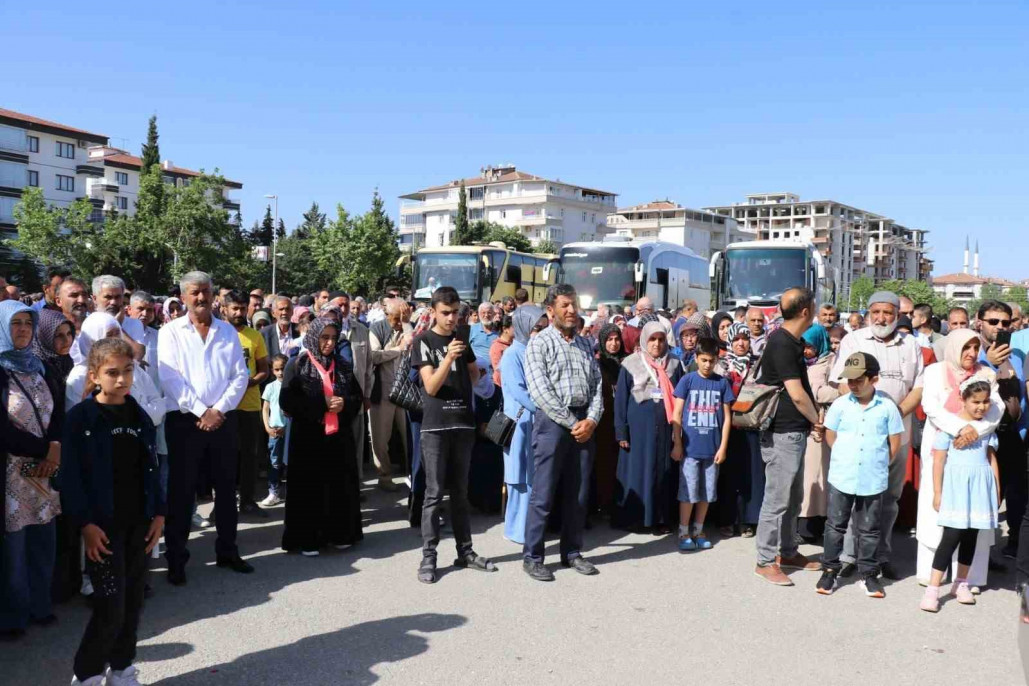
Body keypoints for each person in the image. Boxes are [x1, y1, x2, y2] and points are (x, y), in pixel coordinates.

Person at [62, 338, 163, 686]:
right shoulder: (80, 418)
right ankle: (87, 673)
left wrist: (159, 513)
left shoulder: (139, 415)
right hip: (103, 529)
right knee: (110, 605)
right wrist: (86, 524)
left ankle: (121, 668)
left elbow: (152, 467)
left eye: (128, 371)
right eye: (112, 373)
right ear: (94, 375)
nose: (121, 380)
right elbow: (72, 478)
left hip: (140, 524)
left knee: (134, 601)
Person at [158, 271, 251, 585]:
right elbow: (170, 379)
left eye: (206, 292)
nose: (201, 298)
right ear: (183, 297)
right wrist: (201, 411)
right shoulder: (170, 332)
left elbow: (240, 376)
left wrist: (218, 410)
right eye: (194, 293)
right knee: (182, 493)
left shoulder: (227, 332)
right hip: (185, 421)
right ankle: (176, 559)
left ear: (214, 296)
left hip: (223, 420)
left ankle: (228, 551)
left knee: (226, 490)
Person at [831, 291, 924, 580]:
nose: (881, 318)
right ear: (869, 313)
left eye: (888, 312)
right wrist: (871, 412)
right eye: (876, 312)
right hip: (860, 437)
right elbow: (843, 384)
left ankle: (880, 557)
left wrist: (890, 415)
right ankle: (848, 556)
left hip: (897, 436)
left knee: (888, 499)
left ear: (898, 315)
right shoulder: (854, 340)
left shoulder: (911, 345)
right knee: (852, 496)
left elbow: (919, 388)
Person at [411, 286, 496, 584]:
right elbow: (431, 387)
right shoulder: (423, 341)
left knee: (461, 492)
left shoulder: (462, 339)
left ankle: (465, 551)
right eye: (445, 313)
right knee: (434, 494)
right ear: (433, 311)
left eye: (455, 312)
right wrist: (448, 359)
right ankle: (429, 556)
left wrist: (471, 373)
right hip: (435, 426)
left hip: (463, 424)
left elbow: (474, 373)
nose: (451, 318)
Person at [522, 284, 603, 582]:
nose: (571, 310)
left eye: (574, 305)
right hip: (554, 425)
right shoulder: (539, 344)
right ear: (550, 310)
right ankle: (533, 556)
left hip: (584, 423)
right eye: (565, 305)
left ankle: (571, 552)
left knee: (578, 495)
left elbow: (597, 388)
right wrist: (573, 424)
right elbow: (540, 391)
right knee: (543, 493)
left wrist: (592, 420)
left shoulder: (584, 344)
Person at [917, 329, 1002, 589]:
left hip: (977, 449)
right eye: (966, 347)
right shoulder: (934, 371)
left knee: (974, 519)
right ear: (954, 347)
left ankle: (968, 578)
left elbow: (995, 410)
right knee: (938, 509)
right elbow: (930, 407)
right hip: (941, 449)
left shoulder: (986, 373)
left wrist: (972, 431)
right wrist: (959, 429)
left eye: (976, 348)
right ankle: (932, 576)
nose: (972, 353)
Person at [816, 352, 904, 598]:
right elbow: (831, 435)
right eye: (849, 380)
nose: (852, 384)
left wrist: (878, 463)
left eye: (858, 380)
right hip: (843, 475)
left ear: (874, 379)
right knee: (835, 526)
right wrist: (847, 457)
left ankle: (868, 574)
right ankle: (830, 570)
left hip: (872, 478)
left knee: (869, 529)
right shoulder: (841, 405)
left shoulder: (887, 406)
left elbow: (894, 442)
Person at [0, 301, 64, 640]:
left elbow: (57, 413)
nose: (22, 329)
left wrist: (54, 447)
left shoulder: (40, 367)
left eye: (27, 322)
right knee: (13, 549)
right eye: (14, 323)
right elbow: (4, 431)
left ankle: (41, 605)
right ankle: (13, 615)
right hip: (11, 474)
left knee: (43, 541)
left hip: (44, 471)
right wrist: (47, 449)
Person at [754, 287, 824, 586]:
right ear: (806, 311)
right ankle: (765, 560)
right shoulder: (781, 343)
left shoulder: (792, 341)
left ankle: (789, 551)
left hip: (794, 432)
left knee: (794, 498)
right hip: (781, 432)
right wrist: (817, 420)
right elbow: (796, 394)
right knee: (777, 498)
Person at [278, 318, 362, 556]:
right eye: (324, 337)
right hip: (308, 438)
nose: (329, 343)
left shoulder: (343, 365)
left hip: (337, 437)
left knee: (339, 486)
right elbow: (287, 401)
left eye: (333, 338)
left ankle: (340, 533)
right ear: (314, 337)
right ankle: (307, 538)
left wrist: (343, 404)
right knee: (309, 488)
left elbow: (357, 397)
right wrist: (320, 403)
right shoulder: (297, 364)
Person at [612, 321, 682, 532]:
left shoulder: (675, 364)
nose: (657, 344)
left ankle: (660, 519)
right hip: (637, 431)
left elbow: (680, 398)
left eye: (661, 339)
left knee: (662, 472)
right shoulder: (630, 363)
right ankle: (635, 519)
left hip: (665, 429)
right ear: (644, 340)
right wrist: (621, 431)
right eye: (652, 339)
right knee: (638, 471)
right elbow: (621, 400)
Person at [671, 337, 734, 551]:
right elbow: (677, 413)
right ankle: (683, 530)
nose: (708, 364)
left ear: (717, 359)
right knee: (688, 491)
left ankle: (699, 529)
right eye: (704, 360)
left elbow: (727, 418)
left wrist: (723, 446)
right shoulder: (687, 381)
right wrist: (677, 444)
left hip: (712, 449)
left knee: (707, 491)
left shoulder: (722, 383)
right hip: (689, 449)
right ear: (697, 358)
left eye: (712, 360)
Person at [973, 301, 1025, 560]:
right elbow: (968, 387)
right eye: (994, 322)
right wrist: (988, 363)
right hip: (983, 435)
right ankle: (980, 555)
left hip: (1014, 433)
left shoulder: (1017, 355)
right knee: (987, 494)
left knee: (1017, 492)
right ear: (979, 321)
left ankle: (1014, 543)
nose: (1000, 327)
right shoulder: (972, 351)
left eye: (1006, 323)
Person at [499, 306, 547, 543]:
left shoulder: (534, 351)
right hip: (520, 422)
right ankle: (518, 530)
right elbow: (518, 390)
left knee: (533, 476)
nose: (539, 333)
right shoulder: (512, 354)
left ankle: (529, 527)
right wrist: (543, 409)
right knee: (518, 476)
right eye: (536, 328)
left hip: (536, 422)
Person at [221, 291, 270, 518]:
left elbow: (264, 370)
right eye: (235, 309)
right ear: (225, 309)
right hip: (223, 406)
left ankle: (248, 500)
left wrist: (250, 382)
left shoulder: (255, 336)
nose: (239, 313)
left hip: (249, 405)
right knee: (224, 457)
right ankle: (224, 502)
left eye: (243, 308)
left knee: (249, 456)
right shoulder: (217, 334)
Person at [712, 323, 763, 538]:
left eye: (745, 338)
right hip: (726, 427)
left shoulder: (758, 365)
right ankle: (727, 519)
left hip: (751, 426)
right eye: (736, 340)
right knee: (727, 475)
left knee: (750, 474)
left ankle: (748, 520)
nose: (741, 343)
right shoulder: (720, 365)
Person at [797, 324, 840, 543]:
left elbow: (836, 390)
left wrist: (818, 393)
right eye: (804, 345)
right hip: (804, 423)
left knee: (818, 475)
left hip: (822, 424)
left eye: (810, 346)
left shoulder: (830, 361)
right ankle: (803, 523)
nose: (806, 350)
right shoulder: (803, 362)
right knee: (806, 476)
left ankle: (814, 524)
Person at [368, 298, 412, 492]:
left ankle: (413, 472)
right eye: (396, 318)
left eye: (402, 317)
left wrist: (407, 324)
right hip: (383, 390)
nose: (398, 322)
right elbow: (374, 356)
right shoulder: (376, 329)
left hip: (407, 390)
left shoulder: (409, 326)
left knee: (410, 434)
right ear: (387, 316)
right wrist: (397, 350)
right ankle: (384, 476)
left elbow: (414, 348)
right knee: (380, 437)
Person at [592, 322, 624, 517]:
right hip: (602, 422)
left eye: (617, 339)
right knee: (602, 464)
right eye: (609, 340)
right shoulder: (597, 364)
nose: (614, 343)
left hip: (620, 421)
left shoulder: (626, 363)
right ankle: (600, 504)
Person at [468, 356, 504, 514]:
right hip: (474, 439)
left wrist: (491, 429)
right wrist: (479, 427)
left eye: (480, 372)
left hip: (494, 437)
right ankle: (478, 501)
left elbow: (503, 410)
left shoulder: (496, 391)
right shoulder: (468, 391)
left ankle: (494, 502)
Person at [259, 354, 290, 507]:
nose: (280, 373)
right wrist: (267, 427)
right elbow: (265, 409)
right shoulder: (270, 387)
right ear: (272, 371)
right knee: (274, 462)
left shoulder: (292, 385)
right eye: (276, 369)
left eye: (283, 369)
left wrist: (287, 427)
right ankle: (274, 492)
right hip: (275, 431)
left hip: (289, 430)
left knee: (290, 461)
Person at [489, 315, 514, 386]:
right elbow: (498, 370)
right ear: (505, 329)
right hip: (501, 386)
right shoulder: (497, 347)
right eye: (515, 327)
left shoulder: (514, 344)